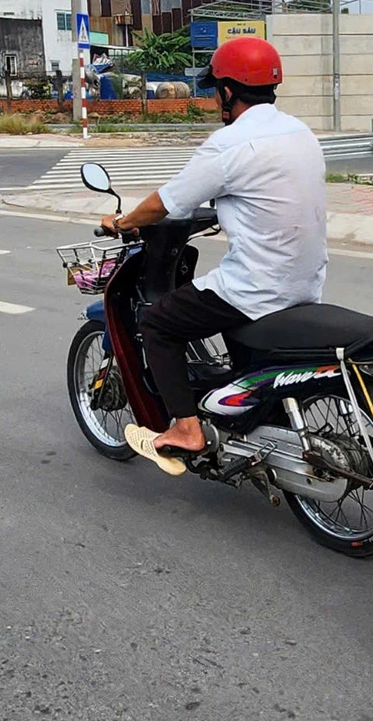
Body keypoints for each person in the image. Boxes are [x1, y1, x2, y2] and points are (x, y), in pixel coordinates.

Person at [98, 35, 327, 471]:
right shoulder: (301, 133)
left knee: (159, 322)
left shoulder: (230, 144)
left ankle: (186, 428)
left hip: (257, 288)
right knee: (221, 310)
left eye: (214, 90)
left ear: (226, 91)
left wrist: (124, 222)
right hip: (305, 282)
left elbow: (166, 202)